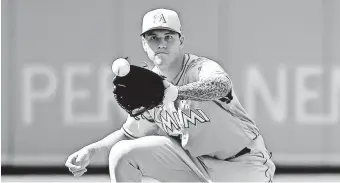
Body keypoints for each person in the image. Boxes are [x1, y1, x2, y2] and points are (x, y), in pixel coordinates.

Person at [65, 8, 276, 182]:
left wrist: (178, 92)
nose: (161, 43)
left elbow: (220, 85)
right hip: (195, 165)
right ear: (144, 43)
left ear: (181, 40)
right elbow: (128, 134)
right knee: (122, 153)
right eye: (153, 37)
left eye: (168, 37)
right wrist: (91, 151)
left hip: (244, 164)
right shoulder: (149, 88)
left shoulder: (200, 68)